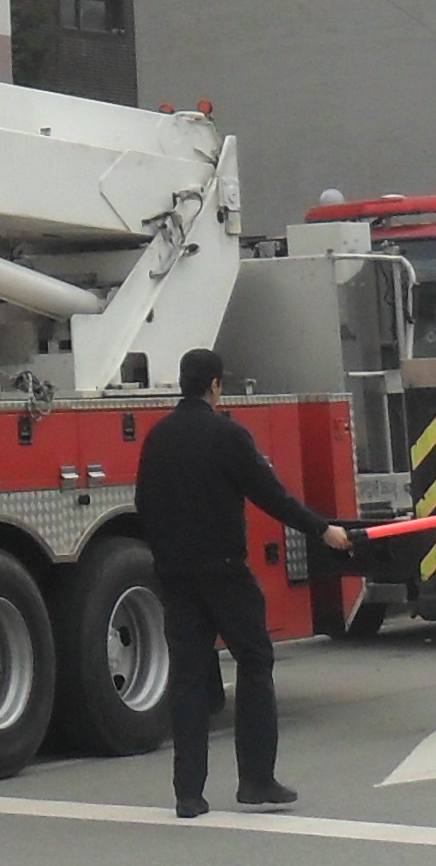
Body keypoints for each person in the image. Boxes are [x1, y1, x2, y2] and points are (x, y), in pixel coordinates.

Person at [132, 349, 357, 817]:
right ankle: (256, 779)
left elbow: (143, 503)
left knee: (188, 678)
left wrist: (165, 554)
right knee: (254, 662)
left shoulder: (158, 437)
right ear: (214, 385)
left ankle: (188, 793)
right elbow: (271, 495)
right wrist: (322, 529)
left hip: (175, 573)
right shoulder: (227, 435)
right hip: (224, 571)